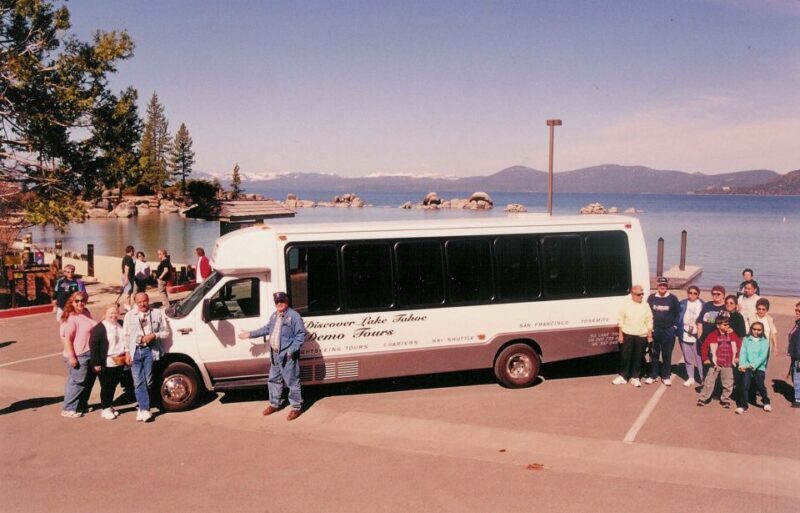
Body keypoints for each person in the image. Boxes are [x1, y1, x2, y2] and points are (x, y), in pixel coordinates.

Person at [238, 291, 307, 419]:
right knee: (273, 380)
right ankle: (274, 404)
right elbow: (267, 329)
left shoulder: (294, 316)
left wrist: (291, 351)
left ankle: (296, 408)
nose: (279, 303)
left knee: (292, 382)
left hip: (287, 356)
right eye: (277, 301)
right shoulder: (274, 316)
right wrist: (250, 334)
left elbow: (301, 335)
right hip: (275, 355)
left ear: (287, 300)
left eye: (282, 300)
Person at [123, 292, 169, 422]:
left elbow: (166, 332)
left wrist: (154, 335)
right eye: (139, 302)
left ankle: (141, 407)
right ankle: (144, 409)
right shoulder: (130, 315)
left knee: (148, 381)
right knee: (138, 381)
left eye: (144, 301)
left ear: (148, 300)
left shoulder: (157, 313)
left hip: (150, 350)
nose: (143, 304)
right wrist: (127, 352)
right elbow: (125, 335)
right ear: (135, 303)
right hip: (135, 351)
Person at [59, 291, 97, 417]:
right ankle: (68, 408)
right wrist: (72, 357)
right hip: (78, 354)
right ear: (72, 302)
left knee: (88, 382)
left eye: (82, 300)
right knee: (77, 381)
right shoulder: (71, 317)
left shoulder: (86, 312)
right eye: (77, 301)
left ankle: (81, 405)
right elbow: (66, 339)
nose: (80, 303)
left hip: (89, 352)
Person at [89, 306, 127, 420]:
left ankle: (109, 405)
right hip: (107, 361)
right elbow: (94, 346)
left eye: (115, 313)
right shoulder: (100, 328)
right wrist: (96, 363)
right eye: (110, 313)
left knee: (114, 384)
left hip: (120, 360)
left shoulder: (120, 323)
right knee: (106, 386)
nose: (113, 315)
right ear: (104, 314)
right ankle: (105, 408)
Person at [612, 285, 653, 387]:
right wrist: (620, 335)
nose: (641, 296)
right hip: (627, 334)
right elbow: (620, 319)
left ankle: (635, 377)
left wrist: (649, 335)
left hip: (641, 335)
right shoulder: (626, 305)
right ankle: (623, 376)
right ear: (632, 294)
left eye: (642, 294)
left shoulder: (645, 305)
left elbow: (649, 320)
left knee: (638, 357)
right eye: (639, 294)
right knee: (625, 356)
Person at [697, 312, 740, 409]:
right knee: (709, 382)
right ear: (718, 325)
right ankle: (703, 398)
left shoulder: (732, 335)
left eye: (728, 324)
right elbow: (704, 347)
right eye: (725, 325)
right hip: (715, 364)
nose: (727, 326)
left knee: (728, 383)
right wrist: (705, 358)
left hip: (728, 363)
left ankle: (725, 399)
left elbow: (739, 345)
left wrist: (737, 356)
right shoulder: (712, 335)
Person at [645, 277, 680, 385]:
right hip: (655, 330)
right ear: (657, 285)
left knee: (667, 354)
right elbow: (647, 313)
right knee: (654, 354)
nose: (662, 287)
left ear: (667, 286)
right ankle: (653, 375)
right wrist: (650, 329)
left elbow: (677, 314)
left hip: (668, 331)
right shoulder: (651, 297)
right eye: (661, 285)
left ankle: (666, 376)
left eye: (664, 285)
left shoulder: (673, 298)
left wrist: (673, 327)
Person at [735, 322, 771, 414]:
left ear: (762, 331)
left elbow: (763, 356)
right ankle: (743, 405)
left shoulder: (764, 341)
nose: (756, 331)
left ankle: (766, 401)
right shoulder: (746, 339)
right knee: (744, 385)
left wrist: (754, 365)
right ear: (751, 329)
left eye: (759, 330)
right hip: (747, 366)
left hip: (759, 367)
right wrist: (742, 364)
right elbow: (743, 353)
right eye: (754, 329)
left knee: (760, 385)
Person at [695, 285, 727, 379]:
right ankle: (706, 381)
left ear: (723, 295)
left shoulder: (726, 307)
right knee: (705, 360)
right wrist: (700, 336)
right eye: (713, 294)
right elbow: (700, 321)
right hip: (705, 339)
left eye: (718, 294)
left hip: (718, 341)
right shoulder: (707, 305)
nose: (716, 295)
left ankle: (717, 384)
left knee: (718, 362)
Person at [678, 285, 704, 387]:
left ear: (698, 294)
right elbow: (677, 316)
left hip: (698, 336)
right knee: (688, 358)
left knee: (699, 359)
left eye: (695, 293)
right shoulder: (682, 303)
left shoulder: (703, 304)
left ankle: (703, 379)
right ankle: (691, 378)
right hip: (684, 334)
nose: (692, 295)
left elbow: (708, 319)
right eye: (690, 293)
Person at [788, 301, 800, 409]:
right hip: (795, 355)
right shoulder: (797, 323)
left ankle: (798, 400)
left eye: (799, 310)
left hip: (798, 356)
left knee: (797, 378)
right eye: (796, 310)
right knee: (795, 376)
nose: (797, 312)